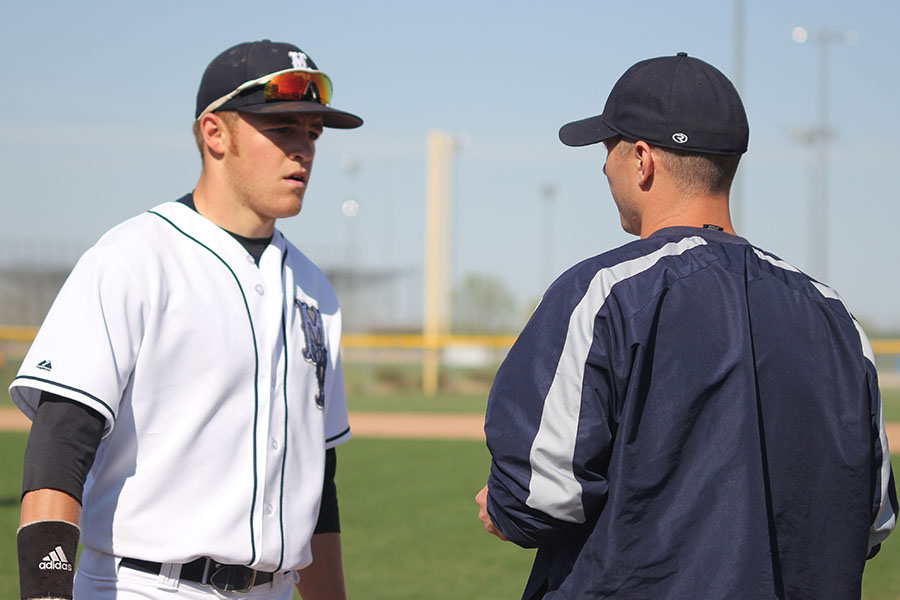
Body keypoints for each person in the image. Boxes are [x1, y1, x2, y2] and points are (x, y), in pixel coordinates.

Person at [475, 52, 897, 599]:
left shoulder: (605, 292)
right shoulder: (835, 317)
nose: (605, 166)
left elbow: (533, 498)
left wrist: (501, 506)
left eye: (609, 149)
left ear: (643, 160)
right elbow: (872, 519)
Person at [11, 39, 362, 600]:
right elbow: (60, 442)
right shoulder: (134, 256)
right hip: (147, 586)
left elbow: (319, 483)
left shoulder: (315, 290)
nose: (303, 150)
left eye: (312, 132)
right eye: (282, 129)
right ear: (214, 133)